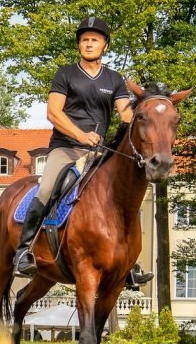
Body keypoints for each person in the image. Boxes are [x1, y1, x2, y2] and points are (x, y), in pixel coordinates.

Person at [14, 16, 136, 277]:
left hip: (99, 153)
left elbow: (126, 115)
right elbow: (53, 113)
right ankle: (23, 251)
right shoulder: (65, 74)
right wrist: (81, 135)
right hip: (66, 148)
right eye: (84, 40)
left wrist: (149, 109)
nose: (89, 44)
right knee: (47, 188)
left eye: (94, 40)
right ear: (79, 45)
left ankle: (128, 262)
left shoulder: (115, 79)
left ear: (105, 45)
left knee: (123, 194)